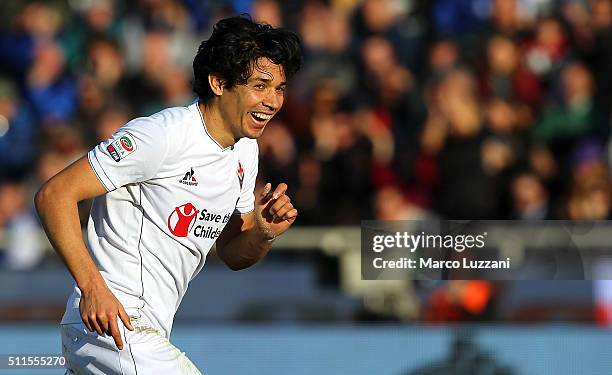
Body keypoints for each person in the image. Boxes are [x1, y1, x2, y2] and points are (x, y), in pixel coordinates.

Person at [35, 15, 302, 374]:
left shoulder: (244, 152)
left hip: (145, 332)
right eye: (260, 85)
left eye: (280, 88)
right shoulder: (160, 135)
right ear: (219, 82)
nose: (272, 101)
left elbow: (233, 253)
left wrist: (263, 234)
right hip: (111, 324)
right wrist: (92, 288)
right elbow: (54, 194)